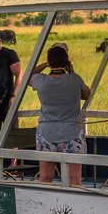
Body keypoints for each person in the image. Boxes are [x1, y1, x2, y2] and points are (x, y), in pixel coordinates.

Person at [29, 43, 90, 186]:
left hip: (46, 132)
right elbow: (86, 94)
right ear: (66, 62)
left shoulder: (41, 80)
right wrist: (72, 71)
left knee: (45, 178)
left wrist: (45, 64)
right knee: (75, 179)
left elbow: (28, 76)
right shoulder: (75, 79)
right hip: (72, 132)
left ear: (50, 63)